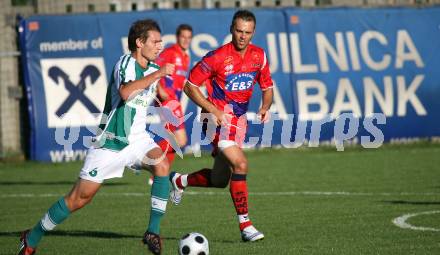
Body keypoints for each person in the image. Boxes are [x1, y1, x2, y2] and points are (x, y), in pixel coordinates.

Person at [18, 19, 174, 255]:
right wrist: (160, 74)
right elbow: (126, 93)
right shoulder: (126, 63)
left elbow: (151, 96)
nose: (160, 46)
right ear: (139, 43)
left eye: (161, 41)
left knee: (161, 164)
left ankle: (152, 231)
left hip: (138, 139)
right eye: (155, 41)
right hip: (110, 142)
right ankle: (32, 237)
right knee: (79, 198)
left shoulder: (153, 69)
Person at [169, 10, 273, 242]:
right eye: (238, 31)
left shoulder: (260, 56)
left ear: (253, 32)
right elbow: (189, 86)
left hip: (239, 122)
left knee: (219, 180)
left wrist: (265, 106)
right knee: (241, 164)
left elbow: (267, 87)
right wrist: (213, 109)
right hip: (215, 121)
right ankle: (246, 226)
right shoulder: (216, 57)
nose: (242, 36)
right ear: (231, 29)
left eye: (247, 32)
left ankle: (180, 180)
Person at [155, 24, 193, 165]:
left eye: (189, 37)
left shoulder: (186, 57)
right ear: (177, 37)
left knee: (175, 140)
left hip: (175, 101)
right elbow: (154, 67)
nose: (186, 40)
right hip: (166, 100)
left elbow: (181, 81)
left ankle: (158, 176)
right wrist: (159, 88)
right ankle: (142, 155)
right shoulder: (170, 52)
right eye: (183, 37)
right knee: (180, 140)